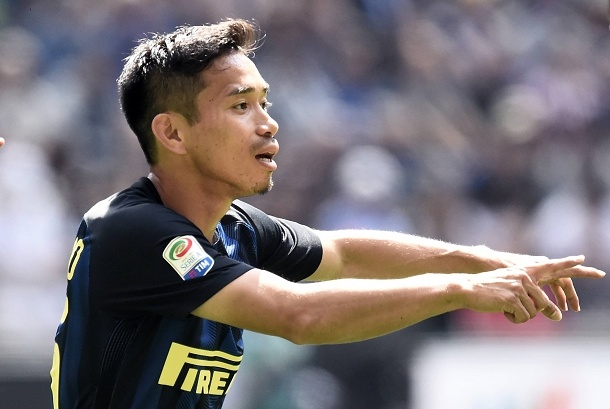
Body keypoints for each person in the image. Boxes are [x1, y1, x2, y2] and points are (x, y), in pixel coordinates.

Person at [50, 19, 605, 409]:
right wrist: (459, 289)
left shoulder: (235, 227)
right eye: (240, 106)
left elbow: (343, 252)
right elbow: (298, 316)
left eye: (264, 102)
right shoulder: (133, 231)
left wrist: (487, 261)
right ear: (172, 132)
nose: (268, 123)